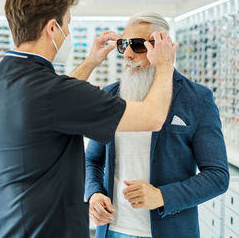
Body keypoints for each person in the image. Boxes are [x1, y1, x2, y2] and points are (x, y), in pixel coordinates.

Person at [0, 0, 178, 238]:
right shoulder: (53, 92)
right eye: (67, 24)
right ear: (52, 28)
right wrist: (164, 65)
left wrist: (91, 62)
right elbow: (152, 117)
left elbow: (54, 100)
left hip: (3, 228)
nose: (68, 33)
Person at [85, 12, 229, 238]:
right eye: (123, 45)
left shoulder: (196, 99)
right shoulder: (111, 95)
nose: (128, 55)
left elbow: (217, 176)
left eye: (138, 46)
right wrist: (93, 194)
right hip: (112, 231)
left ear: (163, 47)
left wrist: (162, 196)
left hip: (170, 231)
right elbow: (92, 159)